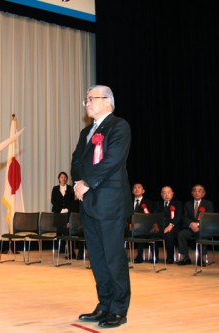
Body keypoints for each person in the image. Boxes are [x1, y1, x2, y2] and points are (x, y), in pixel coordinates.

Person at [71, 84, 132, 329]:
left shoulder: (119, 126)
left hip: (110, 202)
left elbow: (113, 160)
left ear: (108, 101)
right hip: (88, 202)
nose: (87, 103)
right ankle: (104, 304)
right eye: (86, 100)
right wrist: (77, 182)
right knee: (96, 258)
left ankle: (118, 308)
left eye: (91, 99)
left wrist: (87, 182)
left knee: (113, 258)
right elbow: (76, 159)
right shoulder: (87, 130)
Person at [177, 184, 214, 266]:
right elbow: (184, 217)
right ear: (192, 193)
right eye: (195, 191)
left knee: (202, 235)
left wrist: (198, 225)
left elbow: (209, 217)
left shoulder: (208, 204)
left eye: (199, 191)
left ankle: (200, 259)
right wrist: (190, 224)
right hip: (190, 228)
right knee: (181, 234)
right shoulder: (187, 204)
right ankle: (186, 258)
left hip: (202, 228)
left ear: (203, 193)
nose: (197, 193)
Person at [51, 171, 81, 258]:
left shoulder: (71, 188)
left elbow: (73, 201)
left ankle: (71, 252)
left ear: (67, 179)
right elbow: (53, 201)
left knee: (69, 232)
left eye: (65, 177)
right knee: (61, 231)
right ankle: (63, 250)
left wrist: (67, 209)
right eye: (61, 177)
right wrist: (61, 209)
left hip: (69, 213)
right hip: (59, 213)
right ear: (59, 179)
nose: (63, 179)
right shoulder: (55, 188)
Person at [152, 186, 182, 264]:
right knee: (152, 233)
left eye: (168, 193)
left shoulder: (177, 204)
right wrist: (155, 224)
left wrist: (171, 225)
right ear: (161, 194)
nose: (166, 195)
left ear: (172, 194)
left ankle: (170, 258)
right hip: (160, 227)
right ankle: (155, 257)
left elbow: (178, 216)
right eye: (164, 193)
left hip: (173, 227)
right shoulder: (157, 204)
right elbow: (154, 216)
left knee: (169, 234)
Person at [130, 183, 154, 264]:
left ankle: (139, 256)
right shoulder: (128, 202)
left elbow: (150, 217)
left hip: (144, 226)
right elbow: (125, 215)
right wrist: (129, 224)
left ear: (143, 191)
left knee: (141, 232)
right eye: (134, 188)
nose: (136, 189)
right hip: (130, 226)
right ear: (132, 191)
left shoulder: (149, 202)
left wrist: (140, 224)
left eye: (139, 188)